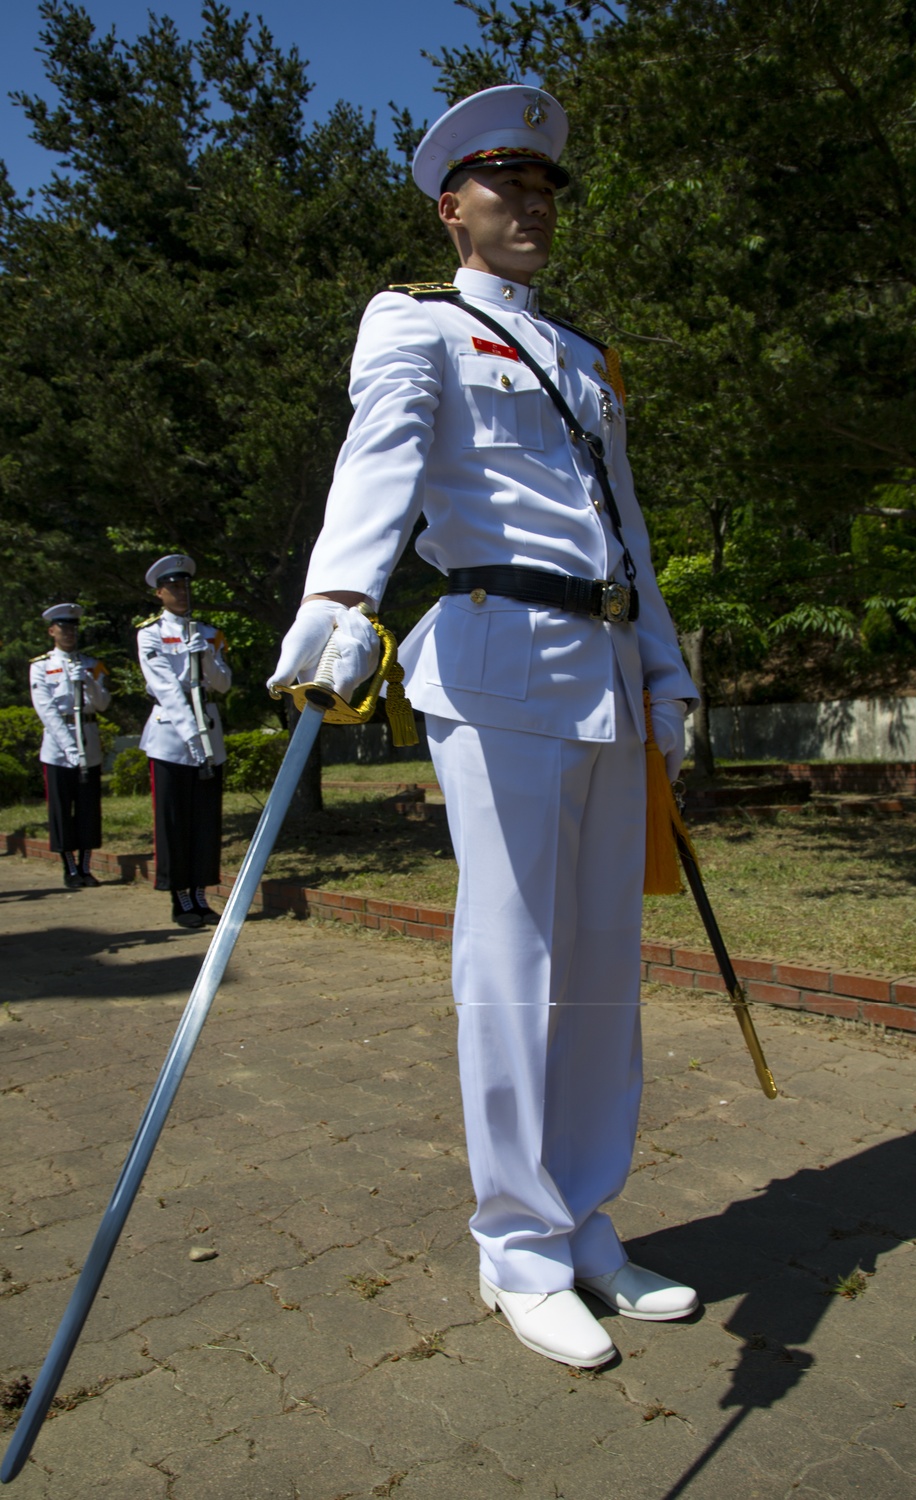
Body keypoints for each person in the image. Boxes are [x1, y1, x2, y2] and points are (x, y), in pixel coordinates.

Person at [268, 86, 700, 1369]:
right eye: (503, 187)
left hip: (606, 669)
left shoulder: (577, 355)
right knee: (509, 969)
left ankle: (586, 1223)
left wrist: (665, 672)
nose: (530, 206)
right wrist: (340, 598)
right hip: (496, 665)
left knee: (601, 969)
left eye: (546, 189)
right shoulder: (415, 324)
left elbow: (622, 526)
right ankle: (515, 1248)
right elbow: (380, 458)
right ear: (451, 205)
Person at [137, 553, 231, 929]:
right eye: (173, 586)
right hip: (172, 739)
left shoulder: (209, 632)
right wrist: (195, 740)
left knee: (205, 821)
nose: (181, 591)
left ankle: (202, 896)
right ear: (160, 593)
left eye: (185, 585)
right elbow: (167, 691)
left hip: (209, 731)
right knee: (175, 821)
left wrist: (207, 657)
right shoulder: (151, 634)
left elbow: (223, 684)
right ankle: (180, 898)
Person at [29, 603, 111, 890]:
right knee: (62, 809)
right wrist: (69, 749)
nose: (69, 633)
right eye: (63, 628)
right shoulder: (41, 666)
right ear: (52, 631)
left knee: (88, 808)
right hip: (57, 747)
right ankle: (69, 867)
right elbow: (46, 711)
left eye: (73, 628)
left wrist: (88, 682)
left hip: (88, 739)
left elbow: (103, 704)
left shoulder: (90, 664)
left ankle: (86, 866)